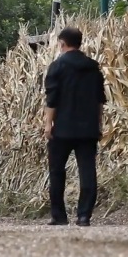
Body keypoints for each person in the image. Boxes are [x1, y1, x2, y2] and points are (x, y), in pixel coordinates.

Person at [42, 26, 107, 227]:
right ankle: (84, 216)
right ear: (79, 43)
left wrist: (47, 124)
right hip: (87, 127)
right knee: (87, 170)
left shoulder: (57, 67)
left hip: (62, 127)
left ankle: (59, 216)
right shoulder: (93, 67)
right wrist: (98, 123)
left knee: (57, 171)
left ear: (62, 43)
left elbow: (52, 99)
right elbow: (99, 101)